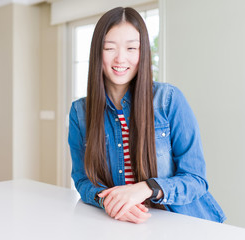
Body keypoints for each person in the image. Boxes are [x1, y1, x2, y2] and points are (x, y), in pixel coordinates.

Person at [68, 7, 225, 224]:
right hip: (125, 226)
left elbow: (196, 179)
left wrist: (145, 188)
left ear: (143, 53)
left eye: (132, 47)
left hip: (186, 223)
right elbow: (83, 179)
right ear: (97, 52)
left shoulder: (168, 100)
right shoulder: (80, 113)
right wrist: (109, 202)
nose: (121, 58)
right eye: (109, 48)